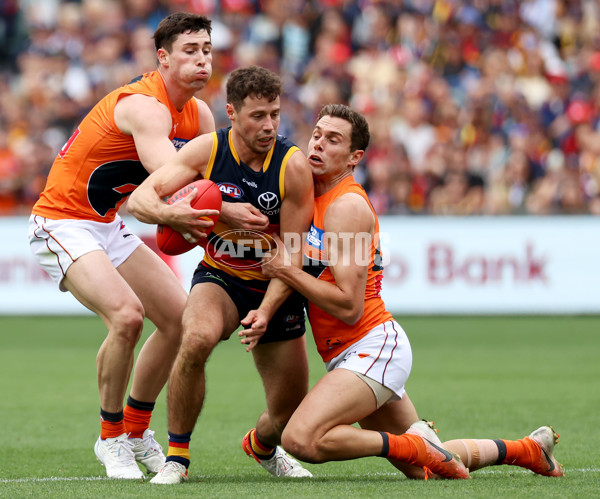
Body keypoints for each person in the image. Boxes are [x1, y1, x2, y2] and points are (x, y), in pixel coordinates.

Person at [242, 104, 564, 480]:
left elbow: (348, 306)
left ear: (354, 158)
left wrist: (286, 270)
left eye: (333, 140)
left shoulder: (346, 206)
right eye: (316, 135)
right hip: (352, 352)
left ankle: (418, 444)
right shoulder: (312, 195)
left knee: (301, 439)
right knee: (421, 467)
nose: (318, 145)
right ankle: (527, 450)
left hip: (370, 346)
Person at [28, 13, 220, 480]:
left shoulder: (201, 114)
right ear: (163, 58)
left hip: (106, 224)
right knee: (127, 316)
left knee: (179, 321)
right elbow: (172, 185)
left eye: (207, 50)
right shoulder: (144, 105)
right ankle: (110, 438)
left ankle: (135, 432)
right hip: (61, 221)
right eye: (190, 50)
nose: (201, 59)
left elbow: (215, 183)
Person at [127, 65, 315, 484]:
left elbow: (294, 255)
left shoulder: (292, 166)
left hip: (276, 285)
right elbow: (140, 200)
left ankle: (264, 446)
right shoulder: (206, 151)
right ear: (231, 112)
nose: (269, 125)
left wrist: (266, 311)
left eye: (275, 114)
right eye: (257, 116)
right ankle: (177, 458)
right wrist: (176, 213)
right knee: (194, 340)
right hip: (221, 277)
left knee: (288, 416)